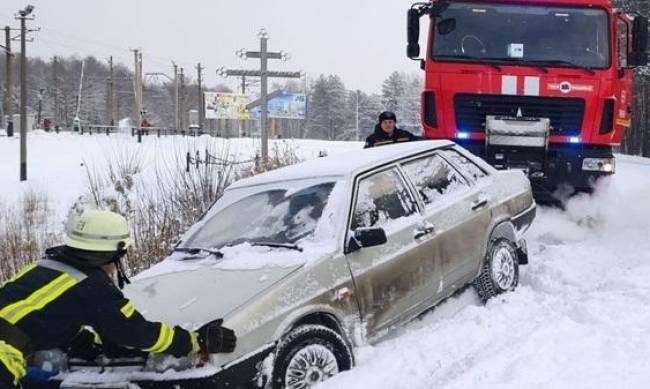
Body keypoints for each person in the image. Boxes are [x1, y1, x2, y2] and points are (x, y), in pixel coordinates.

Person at [0, 210, 237, 389]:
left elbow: (45, 314)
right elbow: (135, 331)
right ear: (115, 251)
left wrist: (84, 345)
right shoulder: (91, 285)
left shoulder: (45, 266)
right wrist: (192, 341)